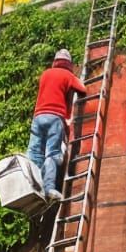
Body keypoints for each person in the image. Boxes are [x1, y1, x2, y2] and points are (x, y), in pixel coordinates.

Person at [28, 48, 87, 201]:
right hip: (54, 117)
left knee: (35, 154)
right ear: (68, 64)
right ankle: (48, 189)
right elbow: (83, 89)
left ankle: (32, 187)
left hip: (38, 117)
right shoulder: (67, 75)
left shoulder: (45, 74)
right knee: (52, 154)